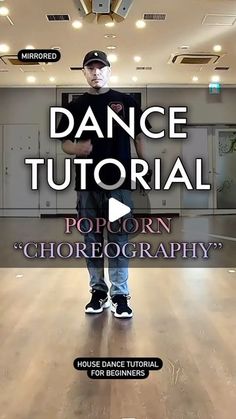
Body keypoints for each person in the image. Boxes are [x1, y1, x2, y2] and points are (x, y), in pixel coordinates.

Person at [57, 50, 150, 318]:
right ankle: (98, 293)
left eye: (101, 68)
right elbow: (64, 143)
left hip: (119, 185)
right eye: (91, 68)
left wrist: (144, 166)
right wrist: (77, 147)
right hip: (87, 186)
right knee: (92, 240)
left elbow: (139, 135)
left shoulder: (126, 102)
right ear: (84, 72)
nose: (96, 72)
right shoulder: (75, 107)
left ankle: (120, 294)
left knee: (119, 238)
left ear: (109, 71)